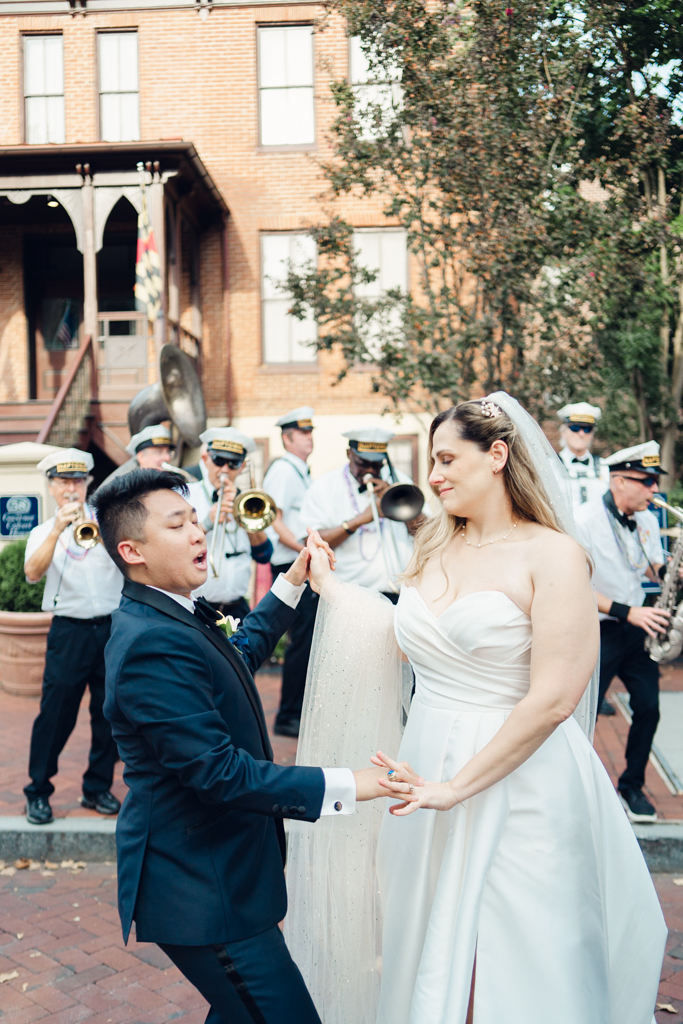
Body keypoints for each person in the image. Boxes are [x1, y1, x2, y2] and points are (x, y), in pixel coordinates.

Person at [286, 396, 666, 1024]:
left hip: (522, 779)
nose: (432, 476)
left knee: (518, 959)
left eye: (445, 458)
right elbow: (403, 642)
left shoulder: (554, 555)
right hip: (424, 763)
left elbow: (554, 698)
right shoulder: (434, 544)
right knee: (425, 940)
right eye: (432, 461)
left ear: (497, 455)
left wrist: (455, 788)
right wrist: (332, 590)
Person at [92, 469, 391, 1024]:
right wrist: (352, 783)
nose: (198, 533)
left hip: (227, 876)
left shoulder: (172, 613)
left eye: (195, 520)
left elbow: (235, 659)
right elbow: (220, 773)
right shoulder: (148, 643)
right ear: (132, 550)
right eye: (177, 525)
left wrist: (291, 583)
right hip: (202, 892)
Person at [23, 448, 123, 825]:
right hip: (70, 631)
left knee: (108, 713)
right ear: (51, 487)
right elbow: (33, 572)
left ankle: (97, 787)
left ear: (88, 485)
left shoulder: (107, 523)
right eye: (64, 482)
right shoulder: (41, 532)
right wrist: (58, 529)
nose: (71, 489)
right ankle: (37, 790)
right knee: (56, 714)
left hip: (111, 627)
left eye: (78, 481)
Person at [575, 440, 668, 822]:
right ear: (618, 481)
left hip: (637, 628)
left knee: (649, 708)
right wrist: (627, 612)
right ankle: (576, 788)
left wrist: (669, 574)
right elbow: (575, 585)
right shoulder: (583, 521)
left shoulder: (646, 517)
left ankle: (631, 786)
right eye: (646, 481)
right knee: (585, 715)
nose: (655, 490)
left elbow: (650, 568)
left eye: (654, 481)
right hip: (599, 628)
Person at [298, 428, 425, 604]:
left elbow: (427, 532)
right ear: (349, 454)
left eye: (377, 464)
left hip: (399, 593)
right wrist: (358, 521)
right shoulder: (325, 487)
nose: (370, 470)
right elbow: (310, 541)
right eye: (362, 463)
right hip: (349, 597)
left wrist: (398, 501)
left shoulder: (399, 481)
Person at [263, 407, 316, 738]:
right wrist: (303, 552)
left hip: (297, 560)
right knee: (302, 641)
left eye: (311, 433)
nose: (310, 438)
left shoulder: (299, 470)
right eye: (303, 433)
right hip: (290, 563)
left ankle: (296, 711)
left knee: (307, 640)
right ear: (287, 438)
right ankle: (288, 715)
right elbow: (274, 518)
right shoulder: (284, 471)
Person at [187, 427, 273, 622]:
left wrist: (245, 516)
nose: (225, 469)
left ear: (242, 467)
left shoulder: (249, 501)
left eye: (233, 463)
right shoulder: (187, 495)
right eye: (219, 460)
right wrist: (208, 523)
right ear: (205, 459)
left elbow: (264, 554)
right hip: (196, 608)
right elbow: (173, 547)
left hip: (237, 609)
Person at [556, 402, 609, 507]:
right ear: (563, 431)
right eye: (575, 428)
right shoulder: (550, 465)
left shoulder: (604, 467)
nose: (581, 434)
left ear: (593, 433)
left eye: (587, 429)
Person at [98, 424, 175, 489]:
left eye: (168, 452)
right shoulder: (123, 485)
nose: (167, 458)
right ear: (141, 457)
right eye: (159, 452)